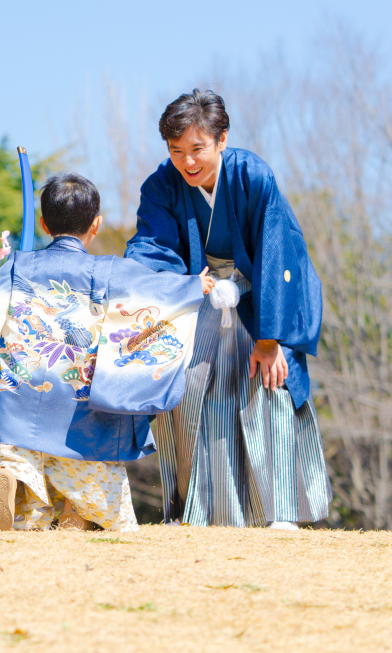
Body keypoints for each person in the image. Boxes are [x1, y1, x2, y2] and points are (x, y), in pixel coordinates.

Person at [0, 173, 213, 532]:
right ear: (96, 224)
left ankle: (10, 476)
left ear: (43, 223)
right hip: (80, 406)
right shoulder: (110, 270)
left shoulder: (17, 266)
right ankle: (76, 510)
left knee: (18, 467)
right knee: (91, 475)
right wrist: (193, 286)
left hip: (16, 394)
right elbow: (157, 291)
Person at [124, 89, 332, 530]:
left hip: (262, 297)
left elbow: (277, 254)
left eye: (197, 148)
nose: (188, 162)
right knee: (190, 389)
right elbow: (152, 247)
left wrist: (269, 338)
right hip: (199, 298)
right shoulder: (161, 185)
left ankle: (281, 510)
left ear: (222, 139)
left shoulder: (254, 176)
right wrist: (181, 285)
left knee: (271, 383)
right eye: (177, 151)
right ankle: (199, 509)